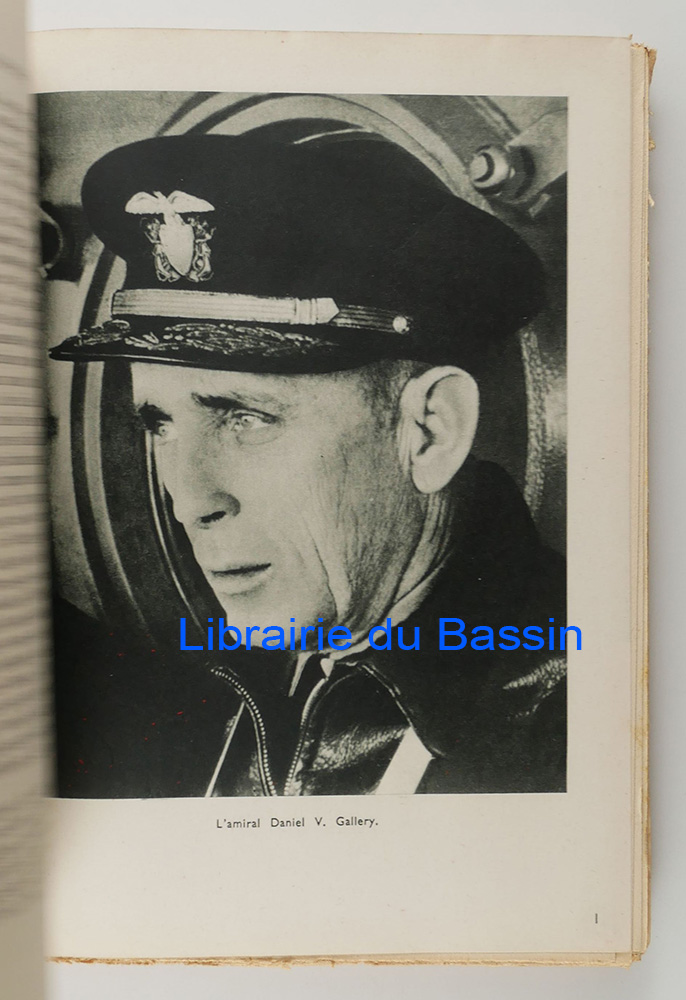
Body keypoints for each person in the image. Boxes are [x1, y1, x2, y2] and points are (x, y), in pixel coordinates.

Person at [50, 130, 566, 797]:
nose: (190, 501)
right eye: (159, 423)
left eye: (245, 417)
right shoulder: (229, 680)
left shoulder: (575, 733)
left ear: (430, 432)